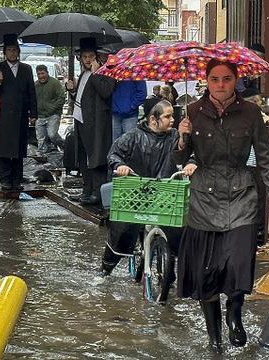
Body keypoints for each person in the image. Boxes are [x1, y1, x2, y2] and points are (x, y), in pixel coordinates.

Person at [174, 59, 269, 353]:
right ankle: (214, 338)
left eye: (226, 79)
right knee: (206, 271)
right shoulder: (193, 111)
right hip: (205, 196)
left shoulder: (250, 112)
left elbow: (266, 157)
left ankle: (234, 312)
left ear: (236, 80)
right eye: (214, 79)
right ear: (206, 81)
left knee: (237, 261)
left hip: (242, 194)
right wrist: (182, 137)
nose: (220, 85)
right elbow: (180, 160)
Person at [102, 101, 196, 299]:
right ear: (153, 119)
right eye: (168, 116)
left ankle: (170, 272)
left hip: (166, 192)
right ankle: (106, 269)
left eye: (173, 116)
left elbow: (188, 152)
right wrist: (120, 166)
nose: (172, 120)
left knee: (176, 230)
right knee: (122, 229)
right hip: (137, 190)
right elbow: (114, 155)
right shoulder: (133, 136)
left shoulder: (174, 136)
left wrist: (190, 162)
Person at [66, 37, 116, 205]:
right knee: (83, 157)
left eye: (91, 56)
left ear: (96, 57)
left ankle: (97, 193)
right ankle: (86, 190)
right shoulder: (83, 74)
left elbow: (106, 92)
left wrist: (96, 74)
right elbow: (82, 97)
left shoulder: (105, 72)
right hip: (81, 121)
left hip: (96, 124)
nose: (88, 60)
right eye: (85, 57)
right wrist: (72, 91)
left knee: (96, 158)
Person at [0, 33, 37, 192]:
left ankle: (16, 180)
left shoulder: (26, 69)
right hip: (2, 116)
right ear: (4, 52)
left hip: (21, 115)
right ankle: (5, 180)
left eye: (15, 50)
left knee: (18, 149)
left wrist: (33, 114)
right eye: (9, 50)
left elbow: (31, 92)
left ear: (18, 51)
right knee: (3, 149)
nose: (12, 53)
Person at [242, 88, 269, 245]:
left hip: (257, 164)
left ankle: (259, 235)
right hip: (245, 164)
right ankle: (252, 233)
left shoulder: (265, 120)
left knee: (259, 200)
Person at [34, 64, 66, 154]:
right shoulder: (35, 85)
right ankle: (43, 157)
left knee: (52, 134)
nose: (41, 76)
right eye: (39, 74)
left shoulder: (55, 83)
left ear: (47, 73)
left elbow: (61, 98)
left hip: (53, 114)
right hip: (40, 115)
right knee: (41, 139)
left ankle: (64, 145)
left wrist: (53, 108)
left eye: (43, 73)